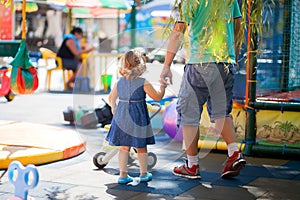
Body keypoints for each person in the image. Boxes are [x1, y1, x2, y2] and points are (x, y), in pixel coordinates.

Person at [160, 0, 246, 179]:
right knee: (221, 112)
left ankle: (192, 165)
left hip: (200, 64)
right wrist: (233, 56)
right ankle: (234, 152)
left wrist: (166, 65)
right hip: (225, 63)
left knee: (189, 114)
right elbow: (238, 27)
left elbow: (177, 33)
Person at [106, 49, 167, 184]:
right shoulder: (142, 82)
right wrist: (163, 86)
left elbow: (111, 98)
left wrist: (114, 108)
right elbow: (157, 96)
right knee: (141, 146)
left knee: (123, 146)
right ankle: (143, 174)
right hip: (138, 117)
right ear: (140, 65)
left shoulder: (119, 82)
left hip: (122, 116)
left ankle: (123, 175)